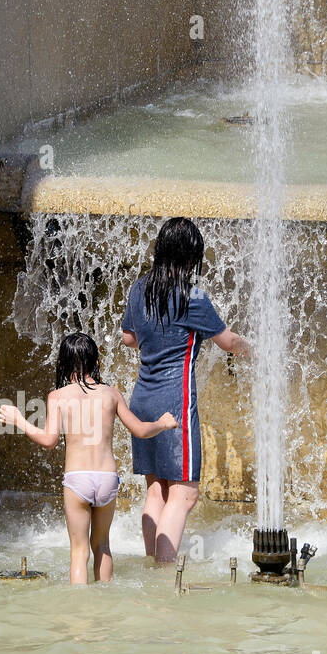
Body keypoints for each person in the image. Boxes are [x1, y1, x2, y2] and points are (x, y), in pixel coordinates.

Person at [0, 332, 177, 584]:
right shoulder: (111, 394)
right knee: (102, 546)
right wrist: (162, 423)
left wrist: (19, 420)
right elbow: (140, 430)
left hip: (77, 479)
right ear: (97, 363)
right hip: (106, 479)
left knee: (79, 552)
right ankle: (105, 606)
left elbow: (49, 441)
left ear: (61, 365)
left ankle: (80, 614)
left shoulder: (57, 397)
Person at [121, 217, 250, 562]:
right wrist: (251, 347)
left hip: (142, 401)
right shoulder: (192, 296)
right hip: (174, 405)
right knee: (184, 496)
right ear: (191, 256)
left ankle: (153, 568)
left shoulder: (138, 288)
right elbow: (227, 342)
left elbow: (128, 338)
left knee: (156, 492)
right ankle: (164, 575)